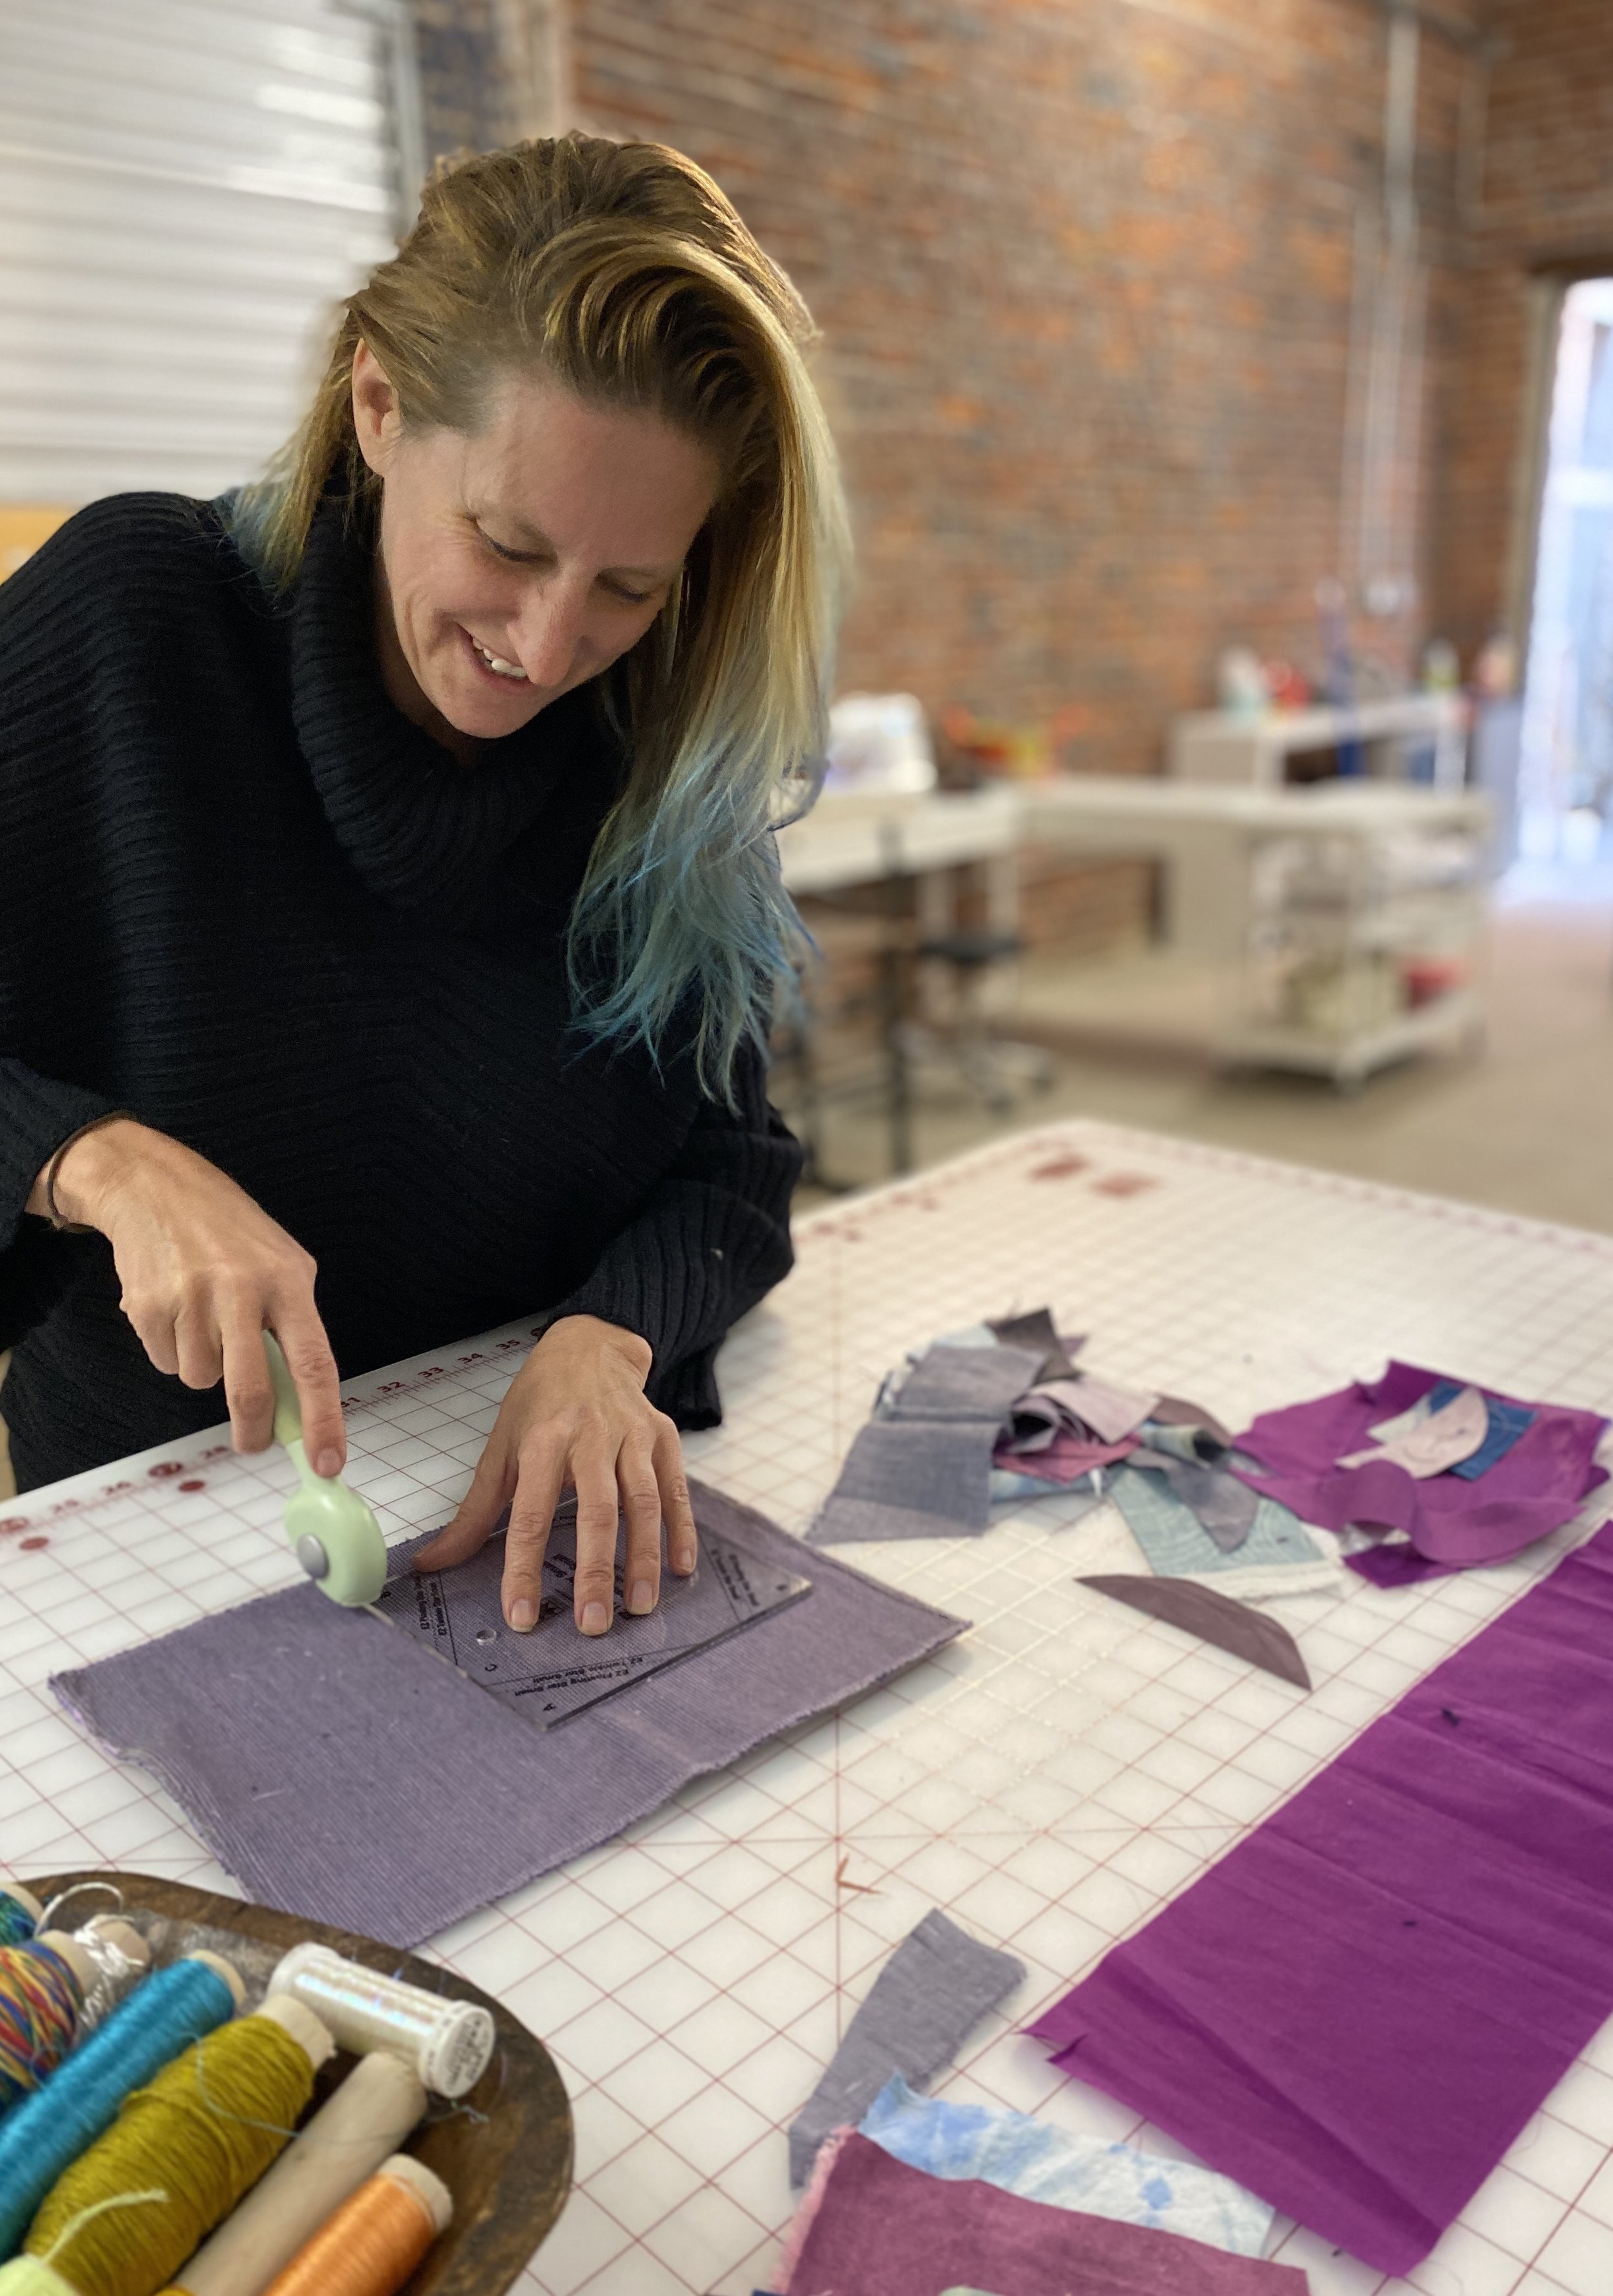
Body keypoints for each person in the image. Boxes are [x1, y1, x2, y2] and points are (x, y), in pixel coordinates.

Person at [0, 134, 850, 1636]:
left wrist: (608, 1341)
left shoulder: (657, 749)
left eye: (630, 588)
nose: (543, 640)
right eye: (506, 544)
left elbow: (735, 1166)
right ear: (378, 402)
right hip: (157, 1543)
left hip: (505, 1526)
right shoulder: (139, 621)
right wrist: (95, 1159)